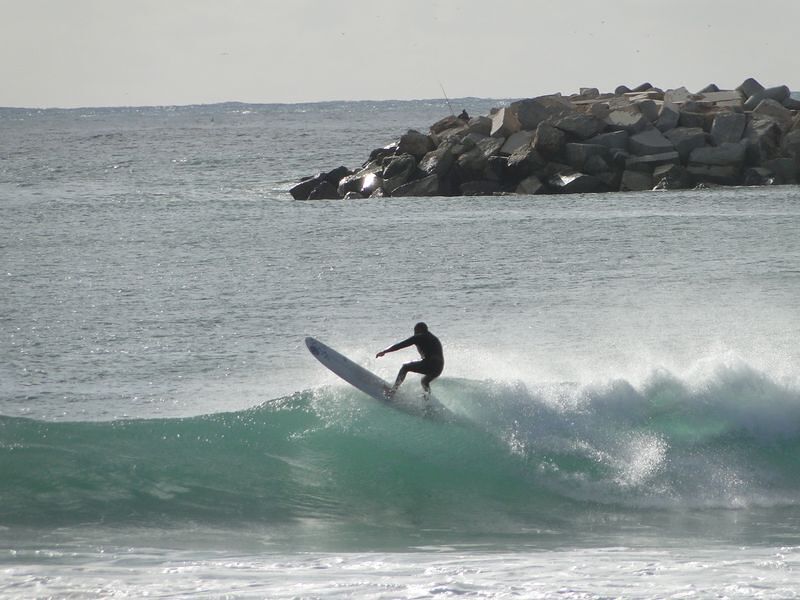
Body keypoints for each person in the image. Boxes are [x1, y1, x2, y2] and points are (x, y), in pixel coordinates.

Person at [376, 322, 444, 397]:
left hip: (430, 363)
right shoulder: (433, 337)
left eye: (415, 331)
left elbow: (400, 345)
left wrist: (384, 351)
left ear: (418, 330)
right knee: (424, 381)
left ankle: (393, 391)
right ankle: (427, 398)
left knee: (405, 367)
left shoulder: (419, 337)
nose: (414, 334)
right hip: (439, 368)